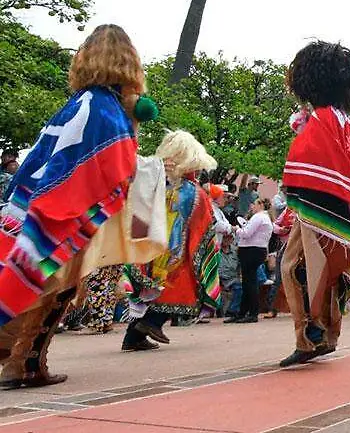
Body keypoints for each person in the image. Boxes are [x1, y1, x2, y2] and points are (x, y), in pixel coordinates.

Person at [0, 25, 158, 388]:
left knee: (37, 281)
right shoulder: (104, 110)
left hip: (32, 204)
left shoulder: (78, 104)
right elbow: (119, 167)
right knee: (58, 284)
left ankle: (21, 360)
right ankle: (25, 363)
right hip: (64, 209)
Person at [278, 42, 350, 367]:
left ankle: (311, 335)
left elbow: (306, 160)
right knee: (328, 271)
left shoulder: (322, 120)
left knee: (299, 267)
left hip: (317, 205)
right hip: (343, 208)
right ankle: (325, 335)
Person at [122, 130, 221, 350]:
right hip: (177, 252)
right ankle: (150, 324)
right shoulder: (192, 192)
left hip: (150, 247)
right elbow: (203, 224)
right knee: (179, 289)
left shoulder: (158, 183)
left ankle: (133, 337)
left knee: (150, 292)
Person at [227, 198, 272, 324]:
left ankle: (252, 313)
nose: (252, 206)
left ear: (260, 205)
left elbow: (246, 233)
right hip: (256, 250)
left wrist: (236, 229)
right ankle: (243, 312)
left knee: (250, 283)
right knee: (248, 282)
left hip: (251, 250)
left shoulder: (258, 217)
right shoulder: (265, 218)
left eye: (254, 204)